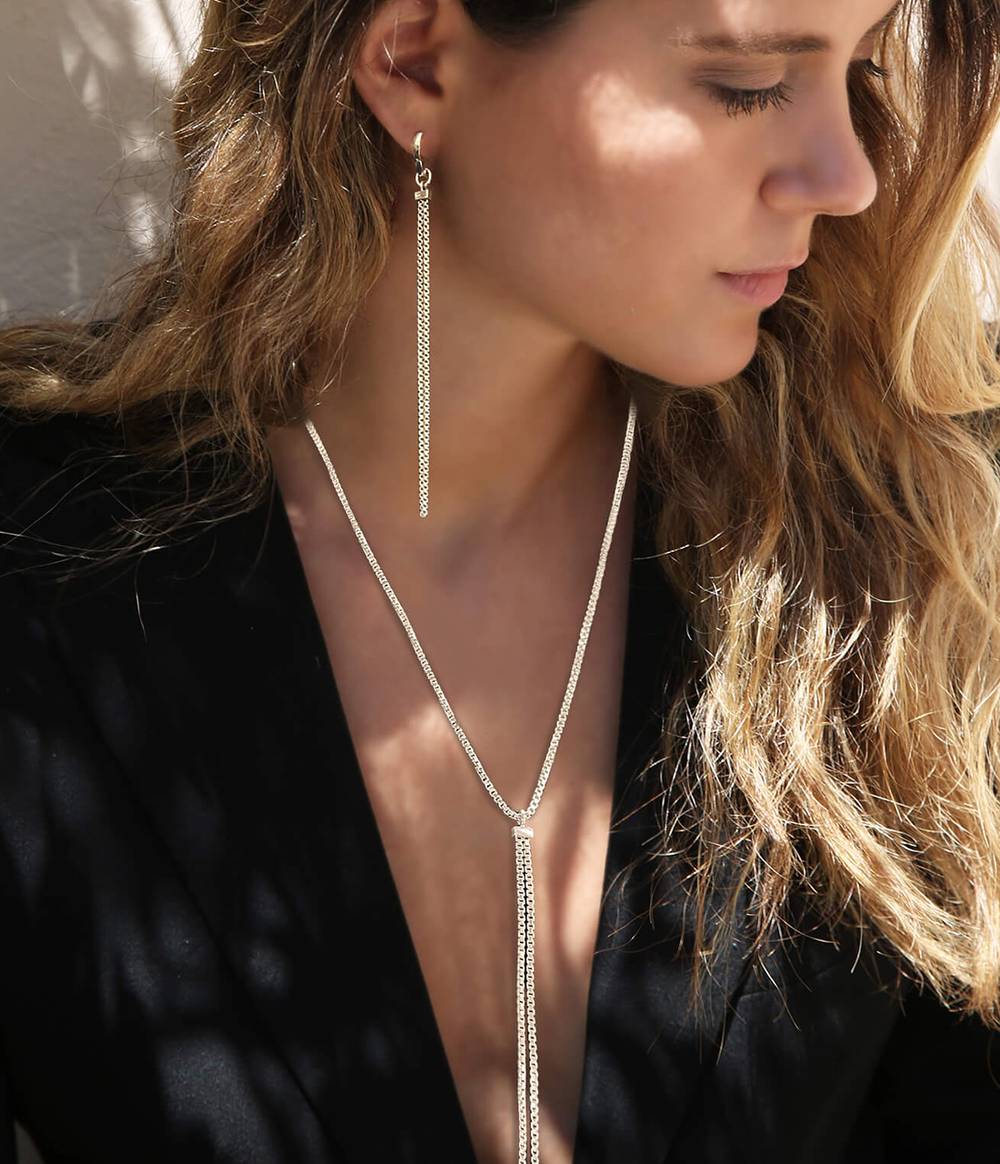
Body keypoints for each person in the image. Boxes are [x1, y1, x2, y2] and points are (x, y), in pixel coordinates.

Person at [2, 0, 1000, 1161]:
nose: (848, 178)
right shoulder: (41, 579)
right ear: (415, 61)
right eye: (745, 83)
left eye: (862, 66)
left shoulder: (908, 557)